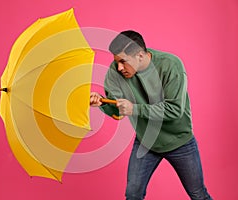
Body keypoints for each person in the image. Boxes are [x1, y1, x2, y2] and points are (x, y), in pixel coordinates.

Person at [90, 30, 212, 200]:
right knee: (132, 195)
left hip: (179, 141)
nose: (119, 67)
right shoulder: (115, 72)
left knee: (199, 195)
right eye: (116, 62)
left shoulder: (171, 65)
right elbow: (118, 110)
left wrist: (135, 109)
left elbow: (175, 109)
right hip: (145, 142)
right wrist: (102, 103)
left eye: (123, 62)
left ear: (140, 55)